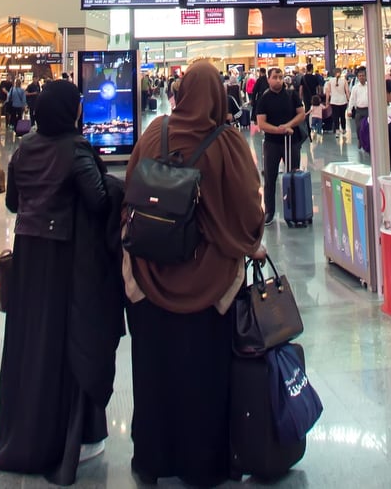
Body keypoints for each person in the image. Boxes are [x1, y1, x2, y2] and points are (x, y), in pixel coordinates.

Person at [123, 61, 263, 487]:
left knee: (153, 373)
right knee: (205, 377)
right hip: (210, 282)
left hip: (150, 276)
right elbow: (249, 210)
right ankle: (205, 463)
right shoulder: (228, 142)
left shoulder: (153, 133)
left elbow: (130, 189)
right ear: (220, 96)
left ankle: (152, 458)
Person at [0, 79, 121, 483]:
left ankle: (24, 425)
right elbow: (98, 199)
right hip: (64, 256)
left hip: (29, 253)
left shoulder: (25, 147)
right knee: (66, 341)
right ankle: (67, 433)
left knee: (31, 338)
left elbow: (13, 202)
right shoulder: (76, 148)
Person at [253, 67, 303, 224]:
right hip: (272, 144)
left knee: (293, 176)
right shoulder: (264, 99)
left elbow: (301, 113)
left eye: (281, 77)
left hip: (291, 142)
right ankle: (269, 212)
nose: (278, 80)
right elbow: (261, 123)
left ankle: (295, 210)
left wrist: (288, 125)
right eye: (275, 77)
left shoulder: (291, 95)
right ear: (268, 79)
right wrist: (279, 130)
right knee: (270, 177)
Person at [349, 66, 370, 152]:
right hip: (359, 110)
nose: (361, 77)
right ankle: (359, 140)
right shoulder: (355, 88)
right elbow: (352, 99)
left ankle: (367, 142)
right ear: (357, 77)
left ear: (365, 76)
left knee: (368, 127)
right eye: (360, 76)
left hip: (368, 110)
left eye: (363, 75)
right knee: (358, 127)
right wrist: (349, 109)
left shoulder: (369, 86)